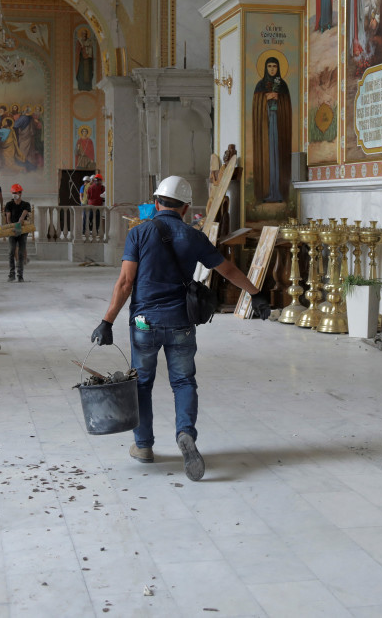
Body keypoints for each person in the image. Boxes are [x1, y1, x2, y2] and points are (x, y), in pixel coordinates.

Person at [90, 175, 272, 482]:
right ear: (186, 208)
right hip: (181, 322)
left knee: (141, 384)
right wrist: (255, 294)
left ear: (156, 202)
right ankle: (185, 433)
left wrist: (107, 321)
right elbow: (227, 269)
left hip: (144, 323)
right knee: (184, 382)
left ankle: (144, 446)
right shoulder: (194, 236)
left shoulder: (139, 233)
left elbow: (125, 283)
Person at [251, 57, 292, 204]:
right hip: (265, 126)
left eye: (275, 66)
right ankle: (267, 192)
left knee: (278, 156)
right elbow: (257, 107)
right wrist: (265, 99)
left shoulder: (283, 85)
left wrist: (279, 99)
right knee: (268, 157)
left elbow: (287, 107)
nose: (272, 69)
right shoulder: (260, 85)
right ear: (265, 68)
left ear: (278, 67)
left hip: (279, 125)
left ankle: (279, 192)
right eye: (269, 66)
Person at [3, 184, 32, 282]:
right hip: (12, 230)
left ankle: (20, 275)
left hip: (22, 231)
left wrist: (19, 222)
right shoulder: (9, 204)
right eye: (13, 193)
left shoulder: (26, 204)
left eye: (16, 193)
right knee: (11, 251)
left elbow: (23, 215)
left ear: (20, 193)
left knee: (20, 253)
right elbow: (8, 217)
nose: (15, 194)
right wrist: (11, 226)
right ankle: (11, 274)